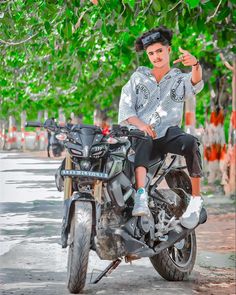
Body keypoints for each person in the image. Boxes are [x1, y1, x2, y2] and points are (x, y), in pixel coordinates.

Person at [118, 26, 204, 229]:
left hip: (167, 134)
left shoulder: (178, 78)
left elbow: (195, 82)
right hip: (141, 135)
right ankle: (141, 195)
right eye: (151, 53)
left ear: (169, 50)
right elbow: (126, 109)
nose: (156, 56)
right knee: (142, 136)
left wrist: (195, 64)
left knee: (191, 142)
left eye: (159, 51)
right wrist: (142, 125)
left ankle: (197, 199)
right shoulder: (137, 79)